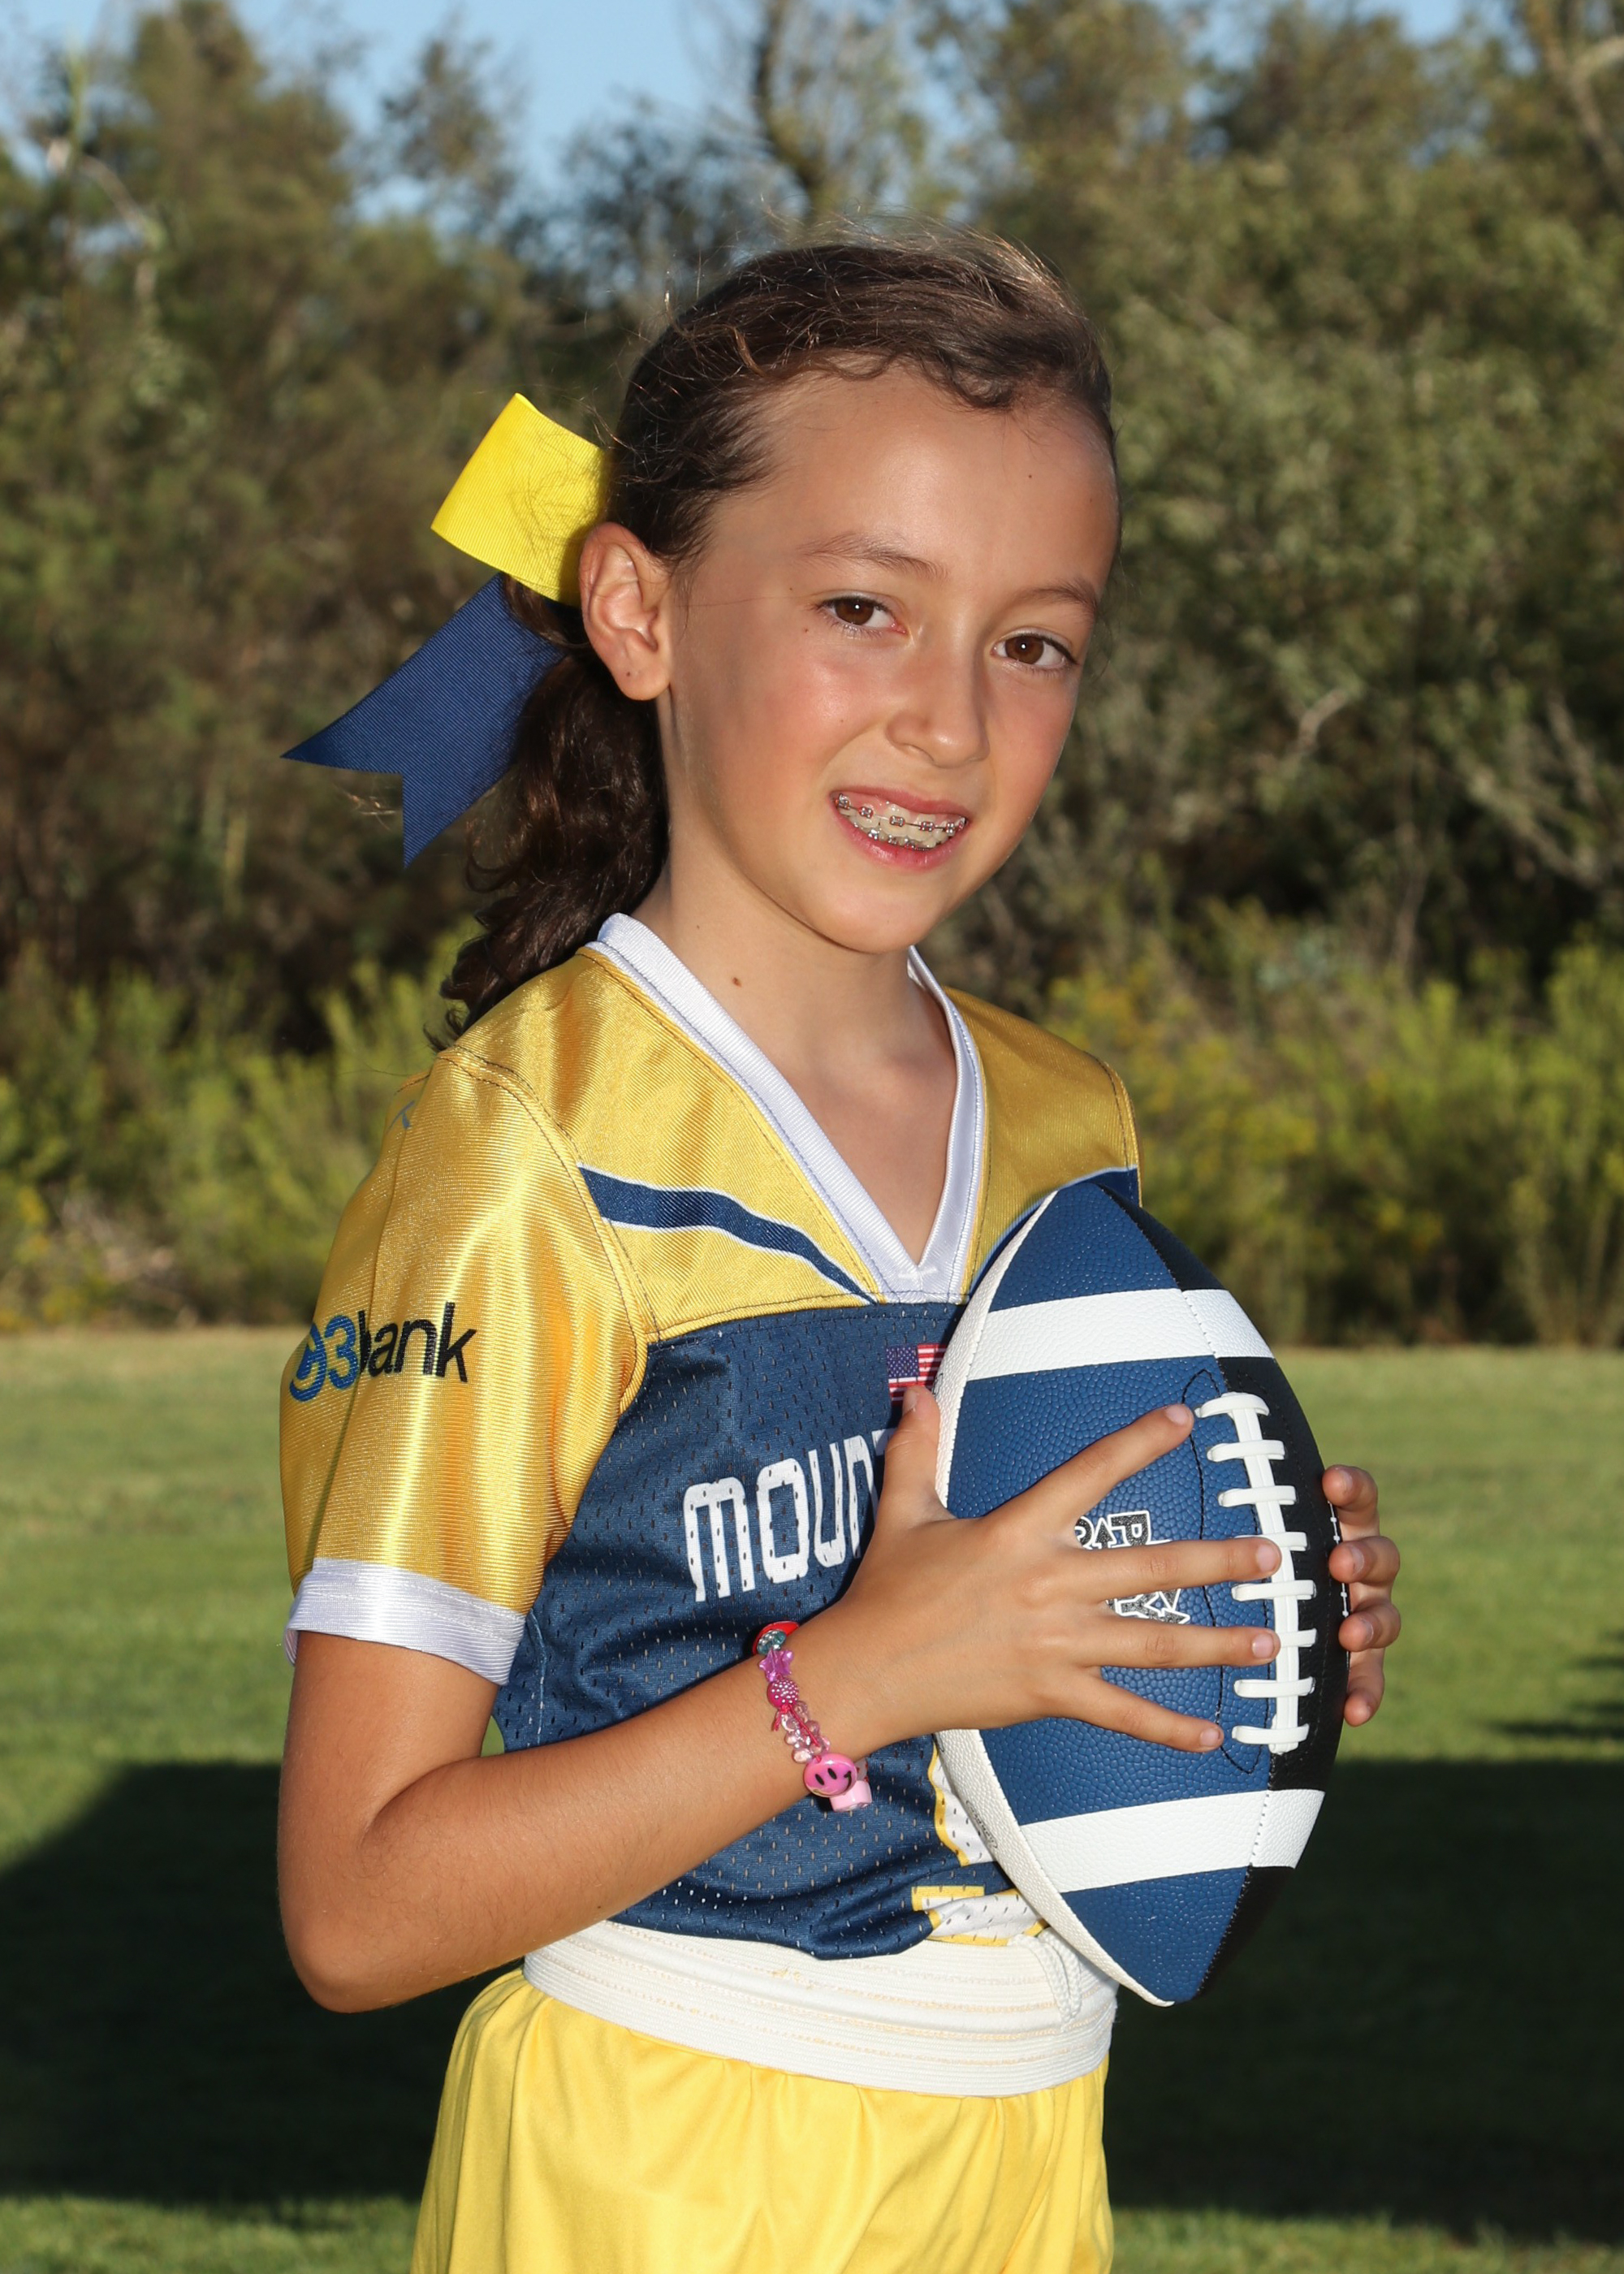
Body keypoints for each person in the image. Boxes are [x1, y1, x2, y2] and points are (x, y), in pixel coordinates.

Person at [277, 236, 1401, 2274]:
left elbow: (1016, 1683)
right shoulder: (531, 1150)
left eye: (1032, 642)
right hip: (664, 2152)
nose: (948, 722)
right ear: (640, 610)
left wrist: (1225, 1617)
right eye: (863, 607)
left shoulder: (1069, 1121)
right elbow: (356, 1907)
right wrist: (865, 1669)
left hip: (1029, 2141)